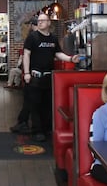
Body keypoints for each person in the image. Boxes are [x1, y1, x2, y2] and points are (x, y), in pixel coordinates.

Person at [10, 13, 81, 142]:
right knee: (35, 104)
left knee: (47, 104)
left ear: (49, 23)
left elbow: (58, 53)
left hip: (49, 76)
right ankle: (37, 130)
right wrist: (26, 73)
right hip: (34, 75)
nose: (40, 22)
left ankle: (46, 128)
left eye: (43, 20)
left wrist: (70, 59)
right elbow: (26, 55)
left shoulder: (53, 39)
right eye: (39, 21)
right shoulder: (32, 37)